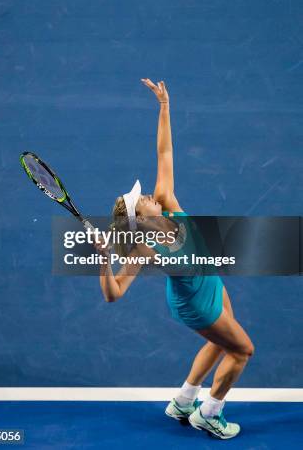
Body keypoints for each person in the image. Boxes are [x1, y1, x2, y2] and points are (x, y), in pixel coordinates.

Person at [95, 79, 254, 440]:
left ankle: (183, 402)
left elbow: (164, 154)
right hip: (195, 304)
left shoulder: (166, 201)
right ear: (141, 217)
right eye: (143, 198)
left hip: (208, 282)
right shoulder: (144, 250)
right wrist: (104, 260)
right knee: (243, 350)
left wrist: (164, 106)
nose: (148, 193)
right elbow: (113, 293)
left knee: (221, 341)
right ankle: (210, 413)